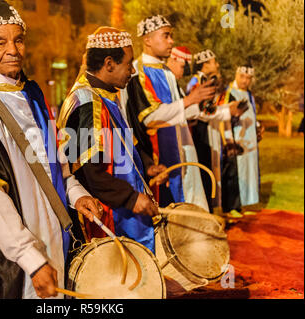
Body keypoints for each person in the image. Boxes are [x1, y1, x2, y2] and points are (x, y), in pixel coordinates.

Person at [0, 0, 101, 300]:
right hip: (16, 262)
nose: (13, 50)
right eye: (0, 42)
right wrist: (32, 261)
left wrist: (76, 193)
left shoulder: (32, 93)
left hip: (56, 240)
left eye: (18, 40)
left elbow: (52, 166)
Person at [57, 26, 168, 253]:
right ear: (109, 64)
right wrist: (130, 198)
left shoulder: (105, 94)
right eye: (129, 64)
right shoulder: (87, 102)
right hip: (103, 219)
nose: (133, 71)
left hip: (117, 208)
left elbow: (123, 144)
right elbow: (90, 173)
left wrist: (147, 165)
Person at [123, 15, 215, 212]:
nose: (171, 41)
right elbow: (149, 118)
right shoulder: (138, 71)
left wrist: (200, 104)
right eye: (166, 36)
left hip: (181, 152)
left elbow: (179, 111)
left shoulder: (165, 71)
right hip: (158, 158)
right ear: (147, 40)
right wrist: (189, 100)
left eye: (171, 36)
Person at [183, 49, 244, 213]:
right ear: (205, 64)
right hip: (200, 131)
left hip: (211, 128)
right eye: (214, 62)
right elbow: (199, 111)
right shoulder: (194, 84)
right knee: (205, 168)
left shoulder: (206, 80)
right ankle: (206, 210)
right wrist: (226, 111)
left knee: (213, 168)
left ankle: (213, 207)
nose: (217, 65)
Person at [220, 65, 261, 212]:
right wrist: (228, 140)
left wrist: (257, 127)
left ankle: (245, 203)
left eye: (248, 78)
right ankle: (232, 207)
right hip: (236, 139)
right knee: (234, 172)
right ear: (236, 75)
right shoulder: (228, 93)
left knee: (248, 171)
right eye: (242, 77)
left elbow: (253, 113)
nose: (245, 81)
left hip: (250, 140)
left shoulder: (249, 94)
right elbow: (223, 118)